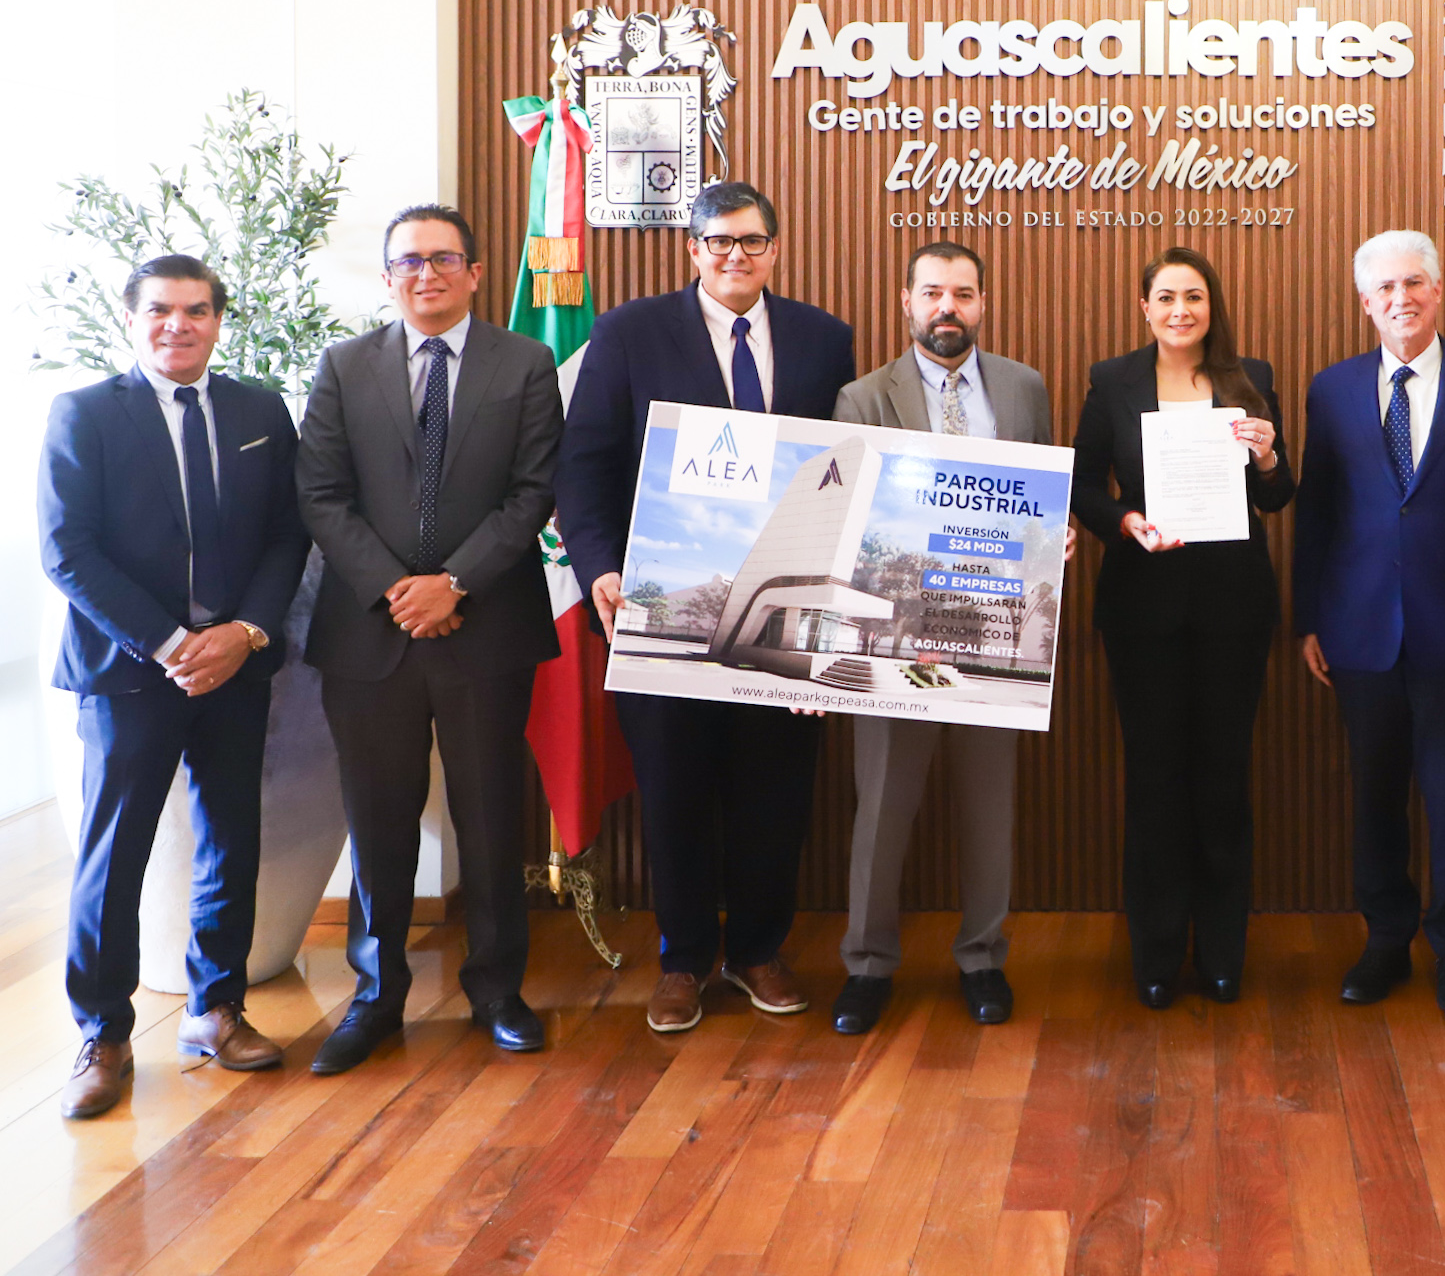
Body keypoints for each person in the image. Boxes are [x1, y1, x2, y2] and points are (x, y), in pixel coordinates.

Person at [554, 181, 854, 1034]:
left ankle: (758, 950)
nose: (735, 255)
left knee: (775, 790)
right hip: (664, 609)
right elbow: (583, 464)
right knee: (674, 790)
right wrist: (600, 568)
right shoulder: (629, 332)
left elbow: (846, 467)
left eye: (751, 240)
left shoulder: (825, 339)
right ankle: (683, 959)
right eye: (718, 240)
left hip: (784, 615)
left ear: (775, 248)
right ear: (692, 249)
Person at [37, 255, 309, 1118]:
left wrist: (244, 632)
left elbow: (288, 534)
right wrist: (169, 643)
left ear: (219, 321)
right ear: (132, 318)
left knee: (231, 836)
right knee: (114, 852)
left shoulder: (261, 411)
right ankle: (104, 1033)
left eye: (196, 310)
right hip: (129, 673)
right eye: (160, 309)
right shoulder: (85, 413)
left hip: (235, 664)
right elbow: (66, 549)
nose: (178, 325)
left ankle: (216, 1008)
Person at [297, 205, 564, 1073]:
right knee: (378, 822)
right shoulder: (344, 365)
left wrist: (454, 582)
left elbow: (533, 491)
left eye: (444, 258)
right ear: (388, 278)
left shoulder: (525, 363)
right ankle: (376, 997)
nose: (427, 273)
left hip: (487, 626)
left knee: (490, 816)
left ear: (475, 273)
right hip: (369, 634)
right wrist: (397, 589)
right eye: (409, 261)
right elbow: (321, 494)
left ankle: (497, 990)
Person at [1292, 230, 1445, 1015]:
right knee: (1375, 794)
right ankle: (1386, 938)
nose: (1401, 298)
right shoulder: (1331, 388)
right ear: (1366, 302)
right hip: (1358, 630)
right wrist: (1307, 619)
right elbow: (1317, 508)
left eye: (1414, 282)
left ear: (1439, 289)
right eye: (1385, 287)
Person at [828, 240, 1055, 1035]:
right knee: (883, 805)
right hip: (898, 634)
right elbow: (847, 519)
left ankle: (983, 957)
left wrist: (1050, 538)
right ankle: (867, 964)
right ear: (907, 301)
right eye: (932, 292)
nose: (946, 307)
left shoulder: (1024, 388)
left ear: (983, 302)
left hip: (996, 629)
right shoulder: (862, 397)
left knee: (990, 806)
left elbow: (1039, 499)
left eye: (962, 292)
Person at [1071, 247, 1294, 1007]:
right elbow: (1084, 485)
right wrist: (1125, 520)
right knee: (1154, 778)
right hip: (1143, 607)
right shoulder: (1113, 381)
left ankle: (1223, 950)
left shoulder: (1250, 377)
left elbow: (1277, 496)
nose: (1180, 311)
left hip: (1234, 608)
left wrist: (1268, 458)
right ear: (1145, 306)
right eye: (1166, 297)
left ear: (1211, 304)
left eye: (1193, 296)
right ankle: (1159, 953)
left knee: (1224, 777)